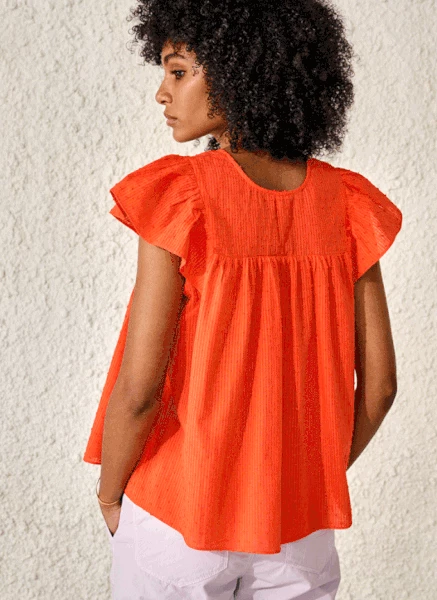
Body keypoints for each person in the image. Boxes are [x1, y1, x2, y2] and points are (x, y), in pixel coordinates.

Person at [83, 0, 403, 598]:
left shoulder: (182, 196)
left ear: (237, 72)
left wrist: (109, 495)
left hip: (179, 512)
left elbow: (139, 389)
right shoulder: (348, 205)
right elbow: (380, 386)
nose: (162, 92)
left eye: (179, 71)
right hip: (298, 533)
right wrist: (303, 482)